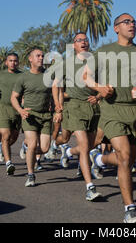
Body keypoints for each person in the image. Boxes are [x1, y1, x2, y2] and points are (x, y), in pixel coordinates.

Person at [85, 13, 136, 223]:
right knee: (125, 156)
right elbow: (86, 77)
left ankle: (99, 159)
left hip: (135, 112)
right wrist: (99, 87)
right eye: (126, 22)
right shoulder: (105, 51)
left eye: (134, 22)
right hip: (111, 110)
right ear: (116, 28)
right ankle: (130, 208)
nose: (131, 25)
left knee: (128, 161)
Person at [52, 32, 103, 201]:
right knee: (82, 144)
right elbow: (56, 85)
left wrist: (98, 96)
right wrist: (58, 107)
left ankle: (66, 151)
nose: (83, 42)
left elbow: (104, 84)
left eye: (85, 39)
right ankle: (90, 187)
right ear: (73, 45)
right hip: (73, 106)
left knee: (88, 145)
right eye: (79, 40)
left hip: (93, 107)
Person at [11, 48, 52, 186]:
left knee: (45, 149)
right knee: (33, 144)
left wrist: (57, 108)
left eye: (42, 56)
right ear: (30, 59)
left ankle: (27, 147)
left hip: (46, 115)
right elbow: (14, 98)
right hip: (29, 115)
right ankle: (30, 175)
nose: (41, 58)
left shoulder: (48, 75)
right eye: (38, 56)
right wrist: (20, 110)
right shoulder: (23, 77)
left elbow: (56, 93)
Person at [0, 53, 22, 176]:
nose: (13, 63)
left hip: (17, 109)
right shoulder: (0, 74)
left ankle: (3, 147)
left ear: (18, 62)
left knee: (14, 137)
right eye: (10, 61)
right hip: (3, 108)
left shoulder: (22, 75)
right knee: (6, 135)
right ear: (6, 63)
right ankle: (9, 163)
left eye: (15, 61)